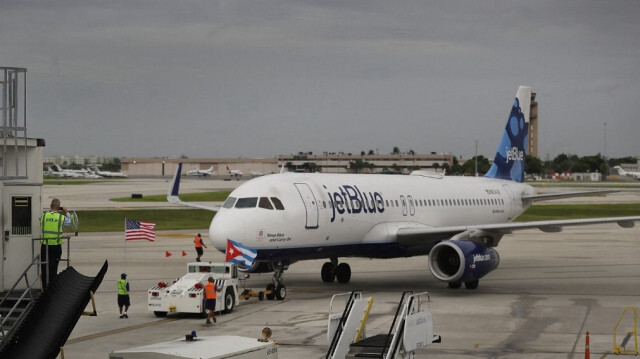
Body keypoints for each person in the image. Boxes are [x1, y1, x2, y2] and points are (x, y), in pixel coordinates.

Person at [39, 198, 72, 288]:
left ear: (50, 206)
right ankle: (52, 288)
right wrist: (66, 212)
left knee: (44, 268)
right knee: (53, 269)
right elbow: (69, 223)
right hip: (56, 247)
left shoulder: (44, 216)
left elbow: (39, 219)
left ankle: (44, 289)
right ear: (59, 208)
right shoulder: (61, 217)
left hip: (45, 246)